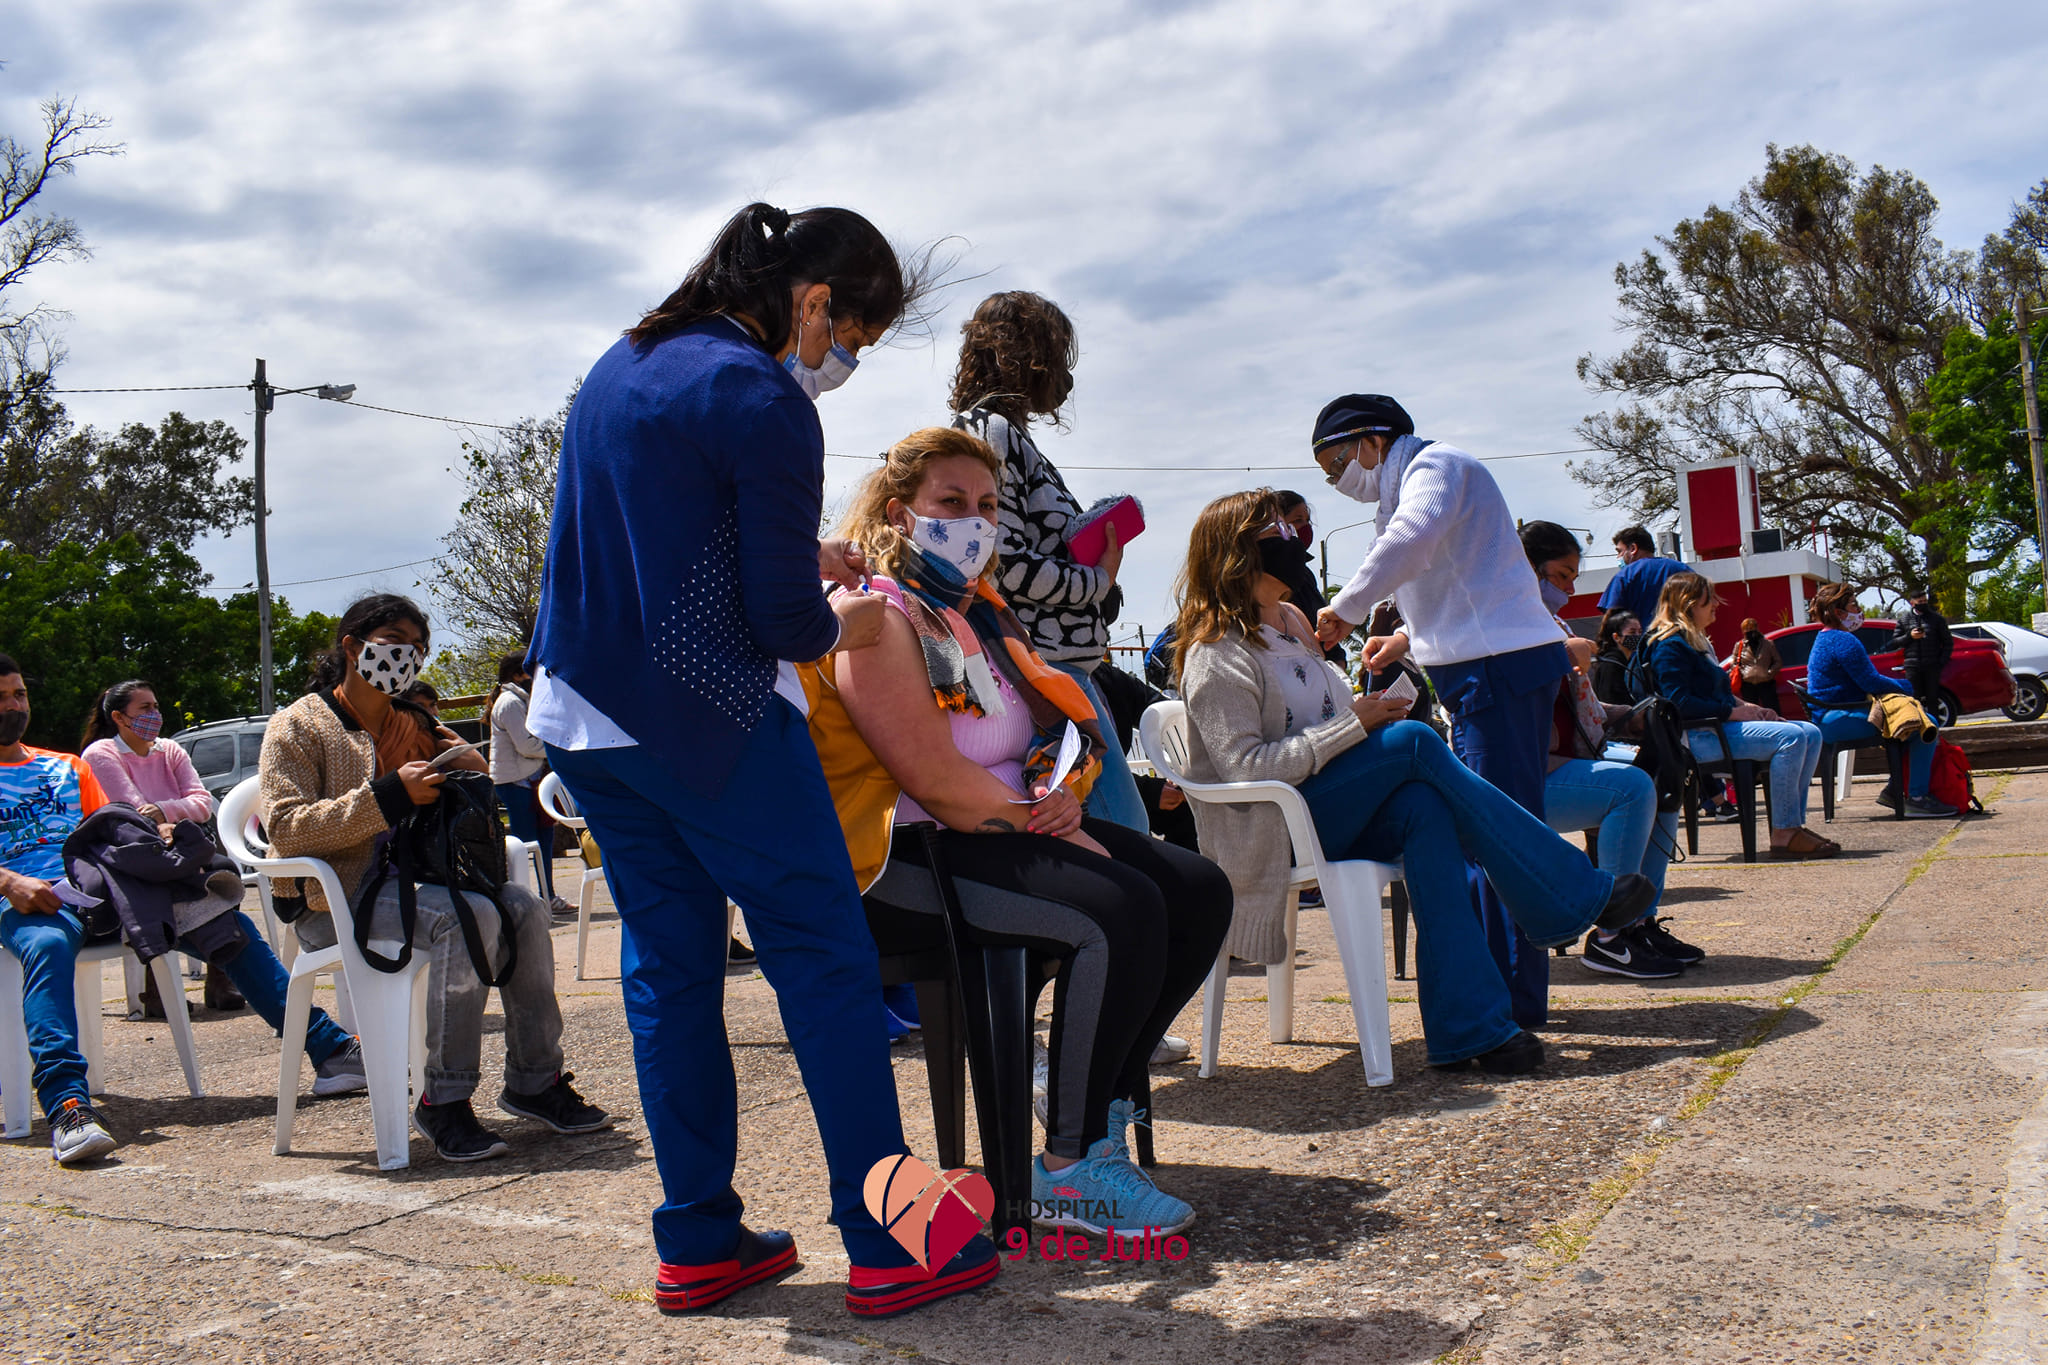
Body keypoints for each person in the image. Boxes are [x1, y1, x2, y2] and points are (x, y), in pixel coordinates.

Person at [527, 203, 998, 1318]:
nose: (843, 362)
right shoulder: (762, 397)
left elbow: (666, 533)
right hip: (715, 718)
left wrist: (803, 553)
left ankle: (697, 1239)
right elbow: (787, 623)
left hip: (586, 713)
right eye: (855, 337)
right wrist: (853, 619)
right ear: (813, 299)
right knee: (826, 964)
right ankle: (891, 1242)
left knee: (670, 976)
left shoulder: (624, 359)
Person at [803, 426, 1230, 1233]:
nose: (975, 522)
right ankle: (1069, 1166)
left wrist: (1062, 786)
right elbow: (937, 783)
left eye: (989, 506)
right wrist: (1044, 824)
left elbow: (1042, 730)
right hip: (913, 852)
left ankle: (1089, 1098)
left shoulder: (984, 619)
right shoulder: (880, 622)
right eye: (951, 503)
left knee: (1198, 890)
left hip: (1005, 828)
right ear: (900, 516)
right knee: (1122, 907)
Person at [1184, 492, 1653, 1071]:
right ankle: (1568, 894)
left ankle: (1470, 1029)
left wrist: (1362, 713)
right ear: (1240, 552)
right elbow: (1246, 770)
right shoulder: (1215, 651)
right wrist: (1353, 727)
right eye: (1276, 531)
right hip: (1277, 826)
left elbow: (1317, 719)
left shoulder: (1292, 622)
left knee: (1424, 809)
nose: (1293, 538)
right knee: (1414, 744)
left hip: (1330, 802)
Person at [261, 596, 611, 1165]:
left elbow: (461, 787)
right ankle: (442, 1099)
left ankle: (534, 1080)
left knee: (523, 906)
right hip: (336, 902)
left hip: (421, 880)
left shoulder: (415, 722)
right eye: (395, 639)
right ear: (353, 646)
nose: (408, 656)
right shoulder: (299, 725)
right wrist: (388, 795)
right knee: (468, 916)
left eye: (418, 647)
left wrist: (467, 775)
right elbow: (286, 827)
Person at [3, 656, 364, 1165]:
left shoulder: (67, 766)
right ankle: (67, 1103)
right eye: (3, 698)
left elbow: (107, 830)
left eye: (18, 694)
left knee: (225, 923)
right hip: (27, 896)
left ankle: (329, 1051)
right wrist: (8, 879)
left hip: (106, 885)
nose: (14, 706)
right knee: (46, 946)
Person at [1309, 394, 1579, 1030]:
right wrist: (1404, 638)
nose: (1335, 480)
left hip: (1497, 669)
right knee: (1492, 829)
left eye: (1336, 462)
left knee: (1497, 836)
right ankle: (1509, 992)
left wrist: (1345, 608)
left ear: (1372, 441)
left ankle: (1510, 1003)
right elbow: (1455, 584)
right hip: (1484, 665)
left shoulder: (1436, 469)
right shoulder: (1407, 483)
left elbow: (1415, 540)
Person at [948, 291, 1148, 833]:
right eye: (1057, 352)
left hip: (1060, 670)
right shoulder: (994, 434)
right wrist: (1097, 579)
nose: (1065, 374)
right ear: (1024, 354)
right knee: (1125, 832)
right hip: (1045, 671)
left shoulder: (1004, 436)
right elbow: (1003, 563)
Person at [1517, 525, 1698, 980]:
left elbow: (1586, 708)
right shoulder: (1507, 622)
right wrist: (1563, 656)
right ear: (1528, 569)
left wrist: (1635, 715)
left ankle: (1639, 921)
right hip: (1522, 774)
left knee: (1661, 780)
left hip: (1563, 764)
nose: (1569, 588)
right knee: (1631, 787)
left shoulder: (1552, 623)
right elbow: (1513, 681)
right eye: (1561, 575)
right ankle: (1611, 936)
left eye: (1573, 576)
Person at [1638, 574, 1838, 858]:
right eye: (1710, 600)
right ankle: (1785, 832)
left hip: (1716, 730)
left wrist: (1751, 708)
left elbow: (1714, 693)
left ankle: (1793, 824)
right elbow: (1678, 704)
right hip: (1697, 738)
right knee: (1792, 738)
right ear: (1689, 604)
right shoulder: (1669, 645)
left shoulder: (1692, 642)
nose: (1717, 605)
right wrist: (1733, 712)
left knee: (1810, 732)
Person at [79, 679, 245, 1012]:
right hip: (131, 847)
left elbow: (201, 801)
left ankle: (219, 979)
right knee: (156, 878)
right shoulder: (101, 753)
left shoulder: (170, 750)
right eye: (144, 708)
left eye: (155, 706)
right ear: (119, 717)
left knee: (223, 870)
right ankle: (156, 988)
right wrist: (165, 817)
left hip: (178, 840)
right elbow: (132, 808)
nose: (154, 714)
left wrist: (165, 811)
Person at [1809, 583, 1956, 818]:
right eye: (1854, 605)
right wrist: (1907, 688)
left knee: (1909, 725)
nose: (1859, 609)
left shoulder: (1826, 638)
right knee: (1924, 723)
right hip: (1838, 720)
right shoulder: (1844, 641)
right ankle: (1917, 798)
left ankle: (1894, 789)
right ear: (1839, 612)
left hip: (1831, 717)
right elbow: (1871, 682)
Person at [486, 652, 573, 918]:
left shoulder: (522, 700)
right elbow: (526, 745)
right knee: (523, 846)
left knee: (544, 840)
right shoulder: (510, 702)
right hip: (515, 782)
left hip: (530, 780)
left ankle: (547, 896)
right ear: (516, 674)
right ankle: (521, 904)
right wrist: (555, 746)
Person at [1270, 491, 1344, 666]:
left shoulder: (1305, 573)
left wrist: (1337, 658)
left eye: (1307, 521)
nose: (1305, 527)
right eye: (1297, 520)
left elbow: (1320, 619)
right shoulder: (1270, 577)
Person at [1598, 526, 1694, 628]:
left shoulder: (1625, 576)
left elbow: (1613, 622)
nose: (1618, 557)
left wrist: (1632, 643)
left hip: (1643, 641)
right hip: (1682, 639)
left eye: (1619, 551)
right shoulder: (1683, 570)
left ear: (1633, 548)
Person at [1888, 585, 1953, 719]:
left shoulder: (1936, 619)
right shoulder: (1904, 619)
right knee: (1913, 697)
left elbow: (1948, 642)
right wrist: (1910, 636)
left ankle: (1935, 726)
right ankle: (1917, 725)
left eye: (1924, 601)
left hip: (1932, 664)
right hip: (1912, 665)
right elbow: (1894, 642)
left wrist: (1941, 662)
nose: (1923, 604)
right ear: (1912, 603)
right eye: (1920, 602)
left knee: (1932, 696)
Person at [1591, 610, 1642, 707]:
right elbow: (1610, 701)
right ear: (1616, 637)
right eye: (1632, 632)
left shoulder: (1624, 661)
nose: (1637, 636)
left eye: (1639, 632)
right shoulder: (1612, 664)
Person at [1733, 618, 1783, 712]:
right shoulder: (1740, 645)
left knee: (1772, 710)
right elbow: (1734, 662)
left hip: (1766, 683)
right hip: (1748, 684)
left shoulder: (1768, 644)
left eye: (1751, 628)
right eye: (1746, 629)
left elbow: (1778, 661)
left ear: (1757, 628)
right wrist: (1743, 673)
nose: (1749, 631)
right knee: (1751, 713)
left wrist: (1769, 673)